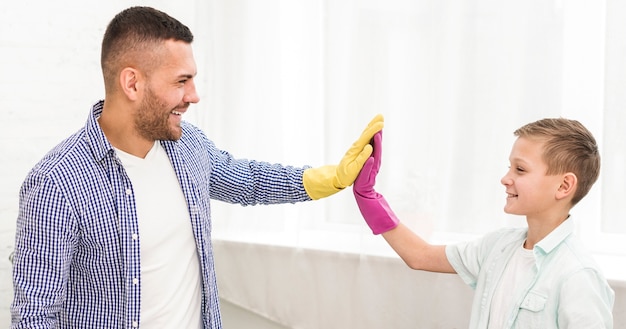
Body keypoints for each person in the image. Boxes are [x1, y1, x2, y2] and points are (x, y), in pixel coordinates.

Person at [10, 6, 383, 329]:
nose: (193, 95)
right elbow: (35, 317)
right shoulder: (56, 184)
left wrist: (328, 178)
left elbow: (247, 180)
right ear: (132, 83)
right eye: (181, 81)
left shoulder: (186, 144)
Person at [353, 120, 615, 328]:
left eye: (520, 170)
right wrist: (370, 198)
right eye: (509, 167)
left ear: (564, 185)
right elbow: (420, 256)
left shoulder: (578, 276)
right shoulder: (498, 247)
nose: (505, 178)